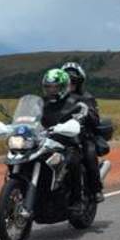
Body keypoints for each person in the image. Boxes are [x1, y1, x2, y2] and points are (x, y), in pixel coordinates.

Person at [40, 68, 97, 214]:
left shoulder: (78, 100)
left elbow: (90, 115)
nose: (52, 90)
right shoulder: (43, 102)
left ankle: (78, 199)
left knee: (74, 160)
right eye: (49, 87)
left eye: (55, 87)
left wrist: (83, 116)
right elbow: (33, 116)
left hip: (71, 139)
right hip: (47, 140)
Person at [61, 61, 104, 204]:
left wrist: (86, 114)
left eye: (74, 81)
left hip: (81, 137)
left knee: (90, 154)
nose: (70, 84)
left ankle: (96, 189)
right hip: (58, 136)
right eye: (67, 81)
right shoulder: (56, 98)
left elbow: (95, 119)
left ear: (79, 82)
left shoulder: (87, 97)